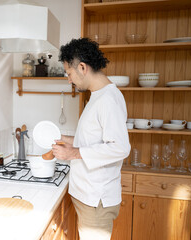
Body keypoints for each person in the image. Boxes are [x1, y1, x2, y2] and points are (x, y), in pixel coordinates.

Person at [52, 38, 131, 240]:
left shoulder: (108, 99)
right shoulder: (97, 96)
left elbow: (120, 148)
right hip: (89, 196)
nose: (69, 79)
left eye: (69, 73)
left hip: (97, 199)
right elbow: (94, 139)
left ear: (82, 67)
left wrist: (73, 153)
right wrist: (66, 139)